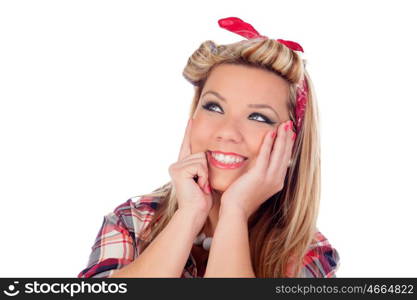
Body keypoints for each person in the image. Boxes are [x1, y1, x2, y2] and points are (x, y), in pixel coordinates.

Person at [78, 17, 340, 278]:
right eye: (214, 107)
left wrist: (234, 211)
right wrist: (189, 213)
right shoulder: (134, 221)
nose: (226, 131)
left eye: (258, 117)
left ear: (291, 144)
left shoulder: (309, 252)